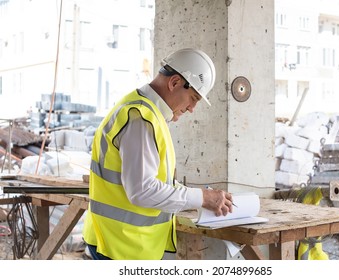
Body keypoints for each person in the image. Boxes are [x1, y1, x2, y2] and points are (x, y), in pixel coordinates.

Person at [82, 48, 235, 260]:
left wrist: (201, 195)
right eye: (193, 98)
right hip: (121, 246)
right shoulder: (141, 119)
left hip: (124, 244)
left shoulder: (147, 114)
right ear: (174, 83)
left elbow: (153, 182)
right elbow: (142, 190)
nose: (192, 108)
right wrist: (200, 198)